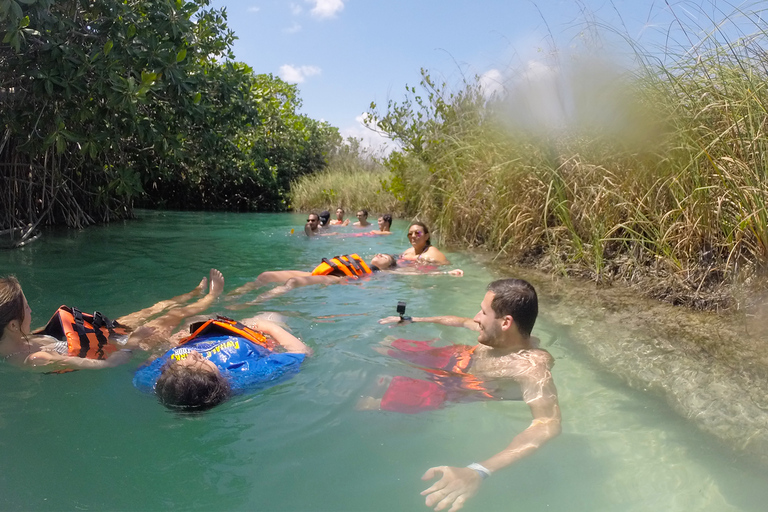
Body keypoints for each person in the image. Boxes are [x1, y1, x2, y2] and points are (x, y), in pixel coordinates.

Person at [377, 278, 561, 512]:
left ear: (506, 322)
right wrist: (410, 320)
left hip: (455, 387)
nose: (476, 317)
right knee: (383, 345)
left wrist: (480, 470)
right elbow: (461, 321)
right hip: (457, 357)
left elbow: (548, 424)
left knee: (372, 402)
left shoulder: (531, 366)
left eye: (483, 312)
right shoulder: (493, 333)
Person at [0, 272, 211, 369]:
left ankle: (193, 293)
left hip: (99, 332)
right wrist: (133, 342)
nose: (31, 309)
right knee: (171, 318)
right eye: (26, 307)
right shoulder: (36, 358)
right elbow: (108, 365)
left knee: (152, 309)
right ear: (12, 326)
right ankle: (210, 298)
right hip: (116, 344)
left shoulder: (22, 337)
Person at [227, 253, 463, 304]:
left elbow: (409, 272)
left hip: (339, 279)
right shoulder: (360, 260)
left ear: (389, 265)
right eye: (378, 254)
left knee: (292, 283)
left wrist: (446, 273)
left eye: (385, 257)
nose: (379, 255)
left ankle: (250, 304)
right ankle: (233, 295)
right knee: (266, 275)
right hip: (320, 272)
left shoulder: (386, 272)